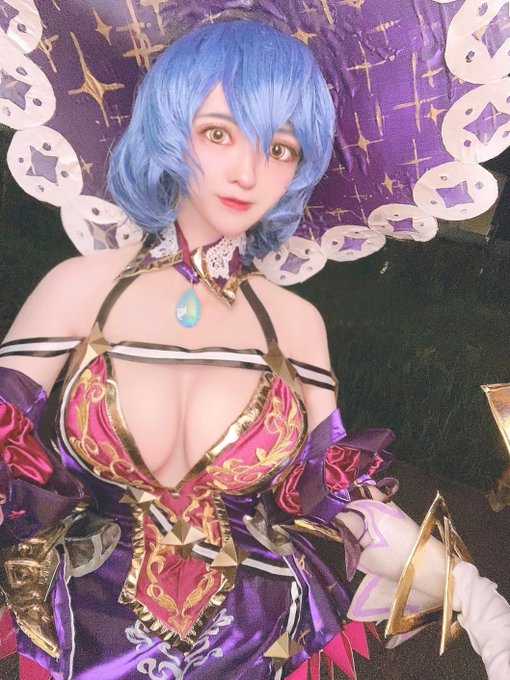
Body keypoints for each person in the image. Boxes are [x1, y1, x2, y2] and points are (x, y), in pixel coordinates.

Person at [0, 19, 508, 680]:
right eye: (219, 133)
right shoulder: (79, 290)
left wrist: (477, 599)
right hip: (87, 643)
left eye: (281, 148)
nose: (248, 172)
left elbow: (339, 496)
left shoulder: (293, 324)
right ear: (169, 128)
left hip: (260, 642)